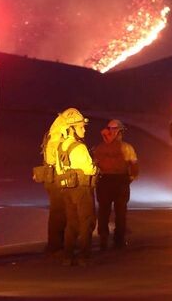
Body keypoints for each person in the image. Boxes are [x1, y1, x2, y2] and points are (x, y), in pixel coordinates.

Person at [53, 107, 98, 266]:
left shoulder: (60, 147)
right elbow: (89, 169)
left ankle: (68, 256)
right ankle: (84, 257)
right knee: (87, 221)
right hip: (81, 189)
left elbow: (58, 169)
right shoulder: (79, 147)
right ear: (71, 129)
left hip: (67, 190)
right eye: (80, 127)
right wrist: (95, 167)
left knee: (71, 223)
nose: (84, 129)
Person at [92, 119, 139, 250]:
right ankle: (119, 240)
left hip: (104, 182)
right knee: (121, 212)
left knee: (103, 211)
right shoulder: (126, 147)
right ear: (120, 131)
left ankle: (103, 238)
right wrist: (130, 178)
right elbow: (134, 166)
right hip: (120, 181)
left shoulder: (99, 148)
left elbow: (94, 166)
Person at [40, 113, 68, 256]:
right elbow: (57, 162)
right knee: (59, 214)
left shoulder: (53, 137)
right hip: (58, 182)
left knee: (58, 213)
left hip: (53, 181)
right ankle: (56, 245)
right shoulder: (58, 140)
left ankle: (56, 244)